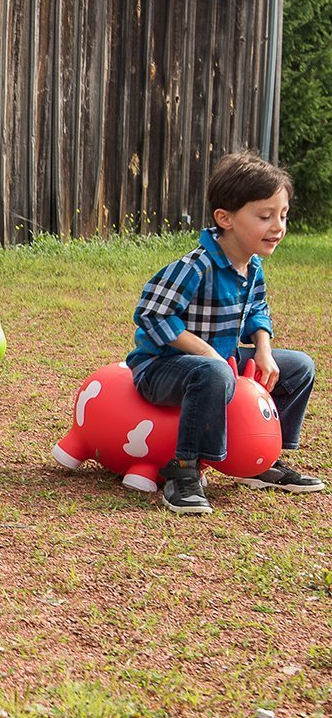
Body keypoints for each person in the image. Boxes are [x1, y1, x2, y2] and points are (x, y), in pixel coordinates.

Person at [128, 149, 324, 514]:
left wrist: (263, 348)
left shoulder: (252, 268)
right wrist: (204, 352)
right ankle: (184, 471)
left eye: (283, 215)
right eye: (265, 216)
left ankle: (261, 460)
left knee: (300, 366)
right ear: (226, 218)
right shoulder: (195, 267)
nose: (278, 226)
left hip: (220, 363)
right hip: (162, 368)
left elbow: (258, 311)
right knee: (215, 370)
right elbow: (151, 314)